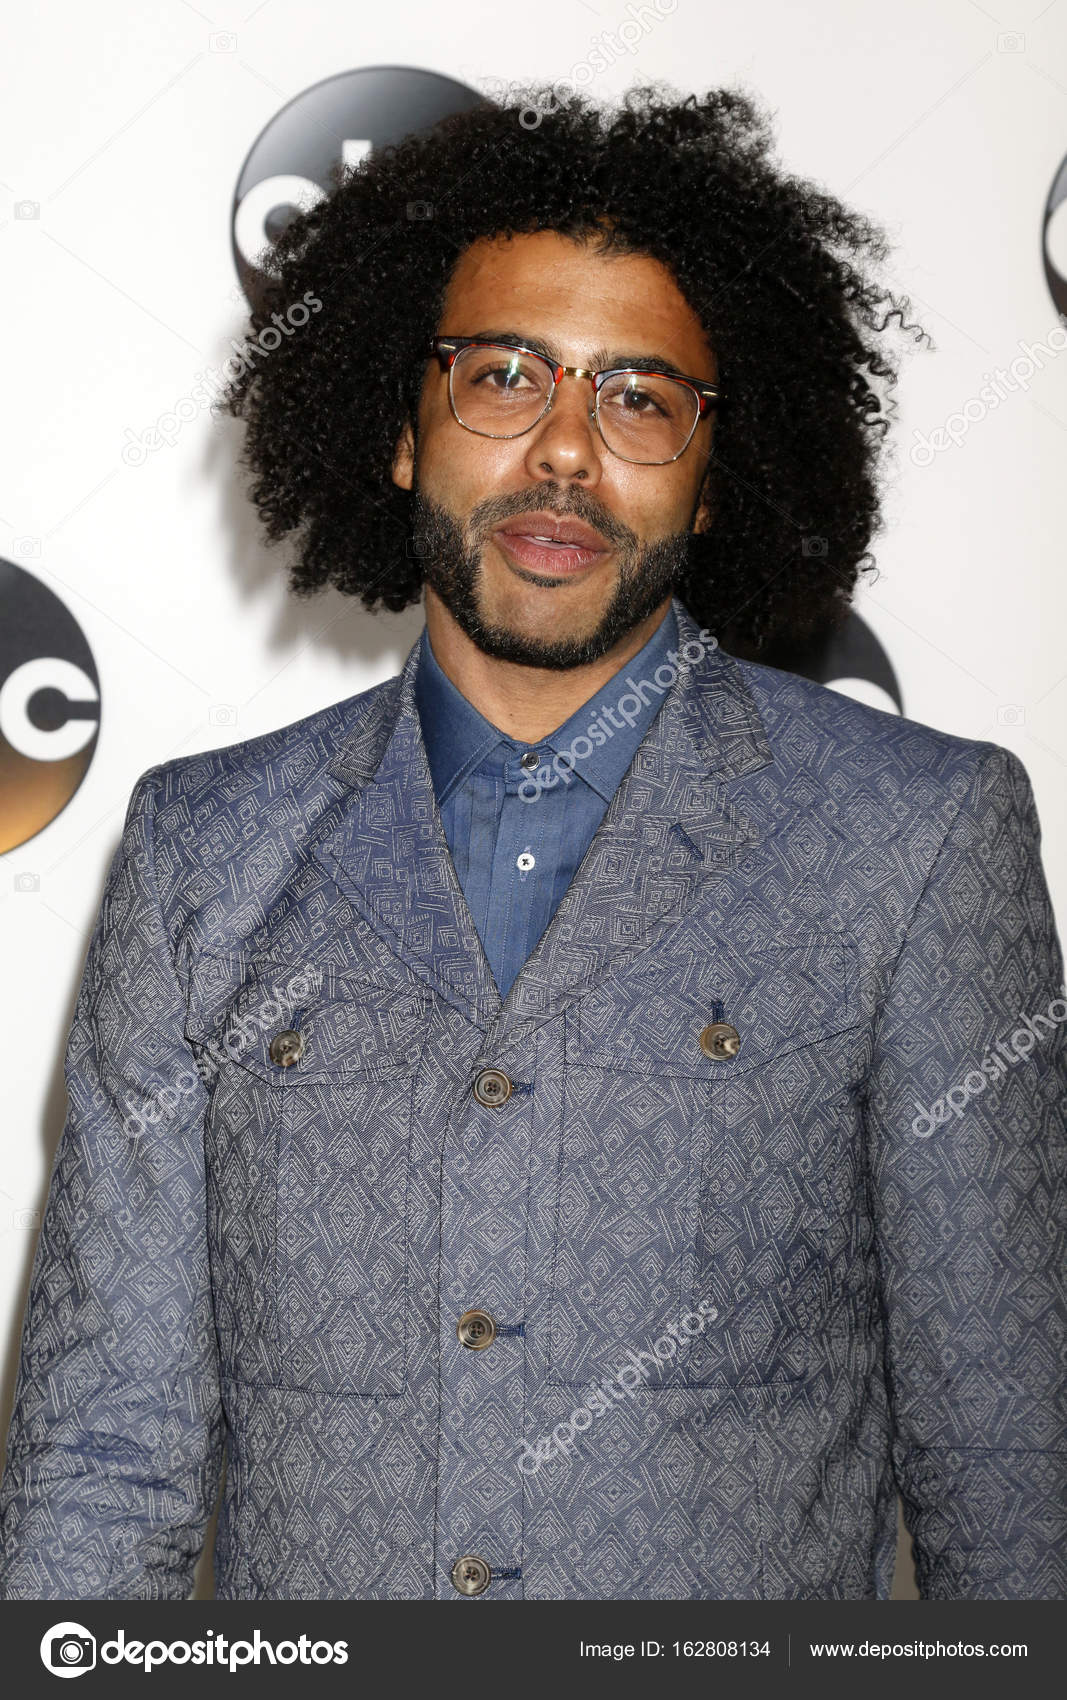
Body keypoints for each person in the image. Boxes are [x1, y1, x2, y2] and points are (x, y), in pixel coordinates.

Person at [1, 83, 1064, 1602]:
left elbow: (1013, 1486)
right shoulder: (202, 856)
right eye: (504, 375)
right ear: (395, 428)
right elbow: (102, 1468)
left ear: (713, 470)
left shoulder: (915, 840)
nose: (566, 450)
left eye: (638, 398)